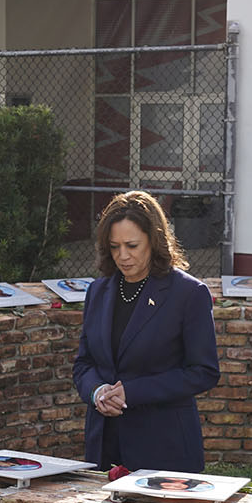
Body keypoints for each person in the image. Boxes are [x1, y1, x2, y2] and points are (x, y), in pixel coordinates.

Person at [72, 191, 220, 473]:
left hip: (163, 447)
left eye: (132, 245)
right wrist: (97, 391)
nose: (123, 256)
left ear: (154, 240)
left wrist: (133, 392)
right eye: (114, 247)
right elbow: (84, 363)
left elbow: (204, 371)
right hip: (104, 443)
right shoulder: (99, 291)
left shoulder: (188, 294)